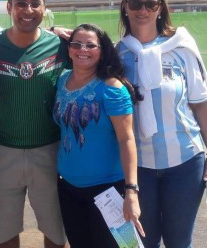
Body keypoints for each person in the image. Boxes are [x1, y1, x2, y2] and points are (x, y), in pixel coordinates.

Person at [117, 0, 207, 248]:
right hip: (138, 168)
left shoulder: (181, 49)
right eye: (136, 3)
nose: (143, 10)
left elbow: (200, 103)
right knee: (141, 243)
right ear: (125, 7)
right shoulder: (117, 55)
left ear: (161, 8)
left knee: (179, 242)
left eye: (150, 4)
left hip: (185, 163)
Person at [0, 0, 68, 248]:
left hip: (50, 151)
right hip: (2, 151)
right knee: (3, 232)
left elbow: (101, 61)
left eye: (35, 4)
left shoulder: (61, 47)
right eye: (21, 3)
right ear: (9, 7)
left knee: (56, 232)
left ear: (45, 9)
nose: (28, 10)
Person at [53, 23, 144, 248]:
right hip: (68, 187)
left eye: (90, 45)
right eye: (76, 44)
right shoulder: (62, 80)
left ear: (102, 50)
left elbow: (127, 140)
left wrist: (131, 191)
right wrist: (55, 29)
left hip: (107, 191)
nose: (82, 49)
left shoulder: (112, 88)